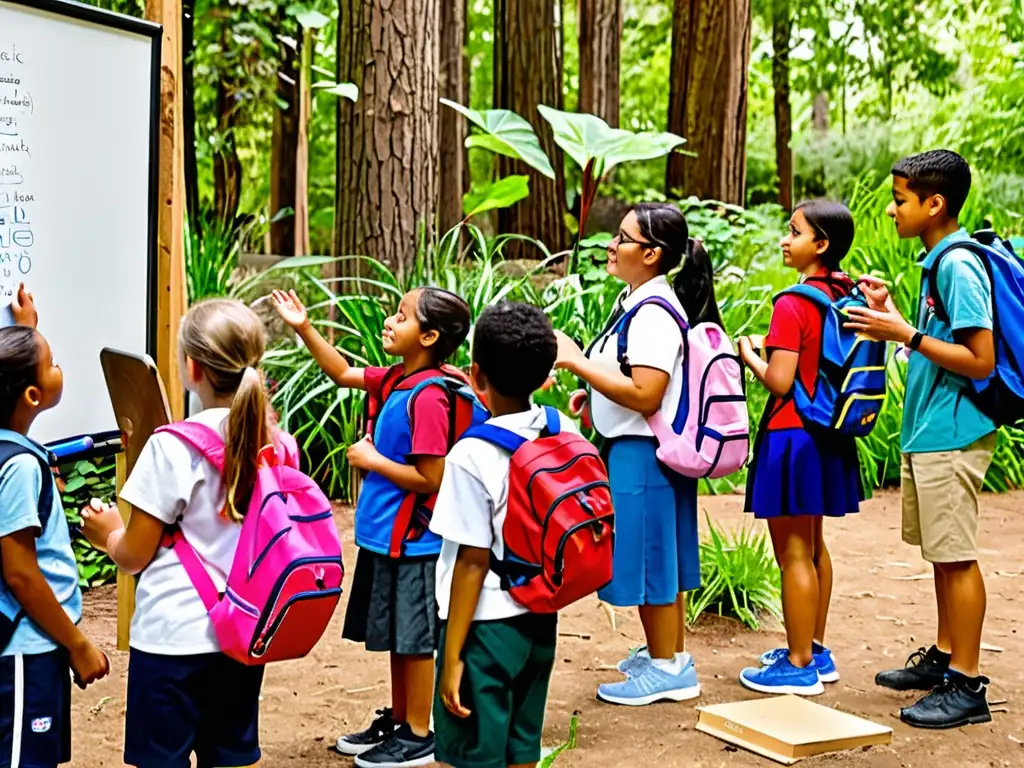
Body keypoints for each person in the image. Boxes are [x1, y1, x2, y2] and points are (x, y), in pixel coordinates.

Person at [78, 298, 286, 768]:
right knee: (228, 756)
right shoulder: (277, 442)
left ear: (192, 367)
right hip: (242, 635)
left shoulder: (170, 448)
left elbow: (133, 554)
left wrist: (107, 532)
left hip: (171, 640)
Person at [271, 287, 471, 767]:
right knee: (399, 637)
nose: (389, 320)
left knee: (416, 640)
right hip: (389, 539)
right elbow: (341, 372)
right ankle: (402, 721)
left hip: (416, 542)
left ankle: (421, 733)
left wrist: (374, 460)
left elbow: (431, 477)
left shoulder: (427, 398)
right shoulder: (397, 379)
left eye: (401, 316)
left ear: (428, 335)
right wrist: (304, 327)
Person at [845, 150, 996, 729]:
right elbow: (940, 341)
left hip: (954, 431)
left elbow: (978, 361)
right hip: (931, 428)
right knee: (941, 552)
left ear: (935, 204)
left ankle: (968, 683)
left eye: (901, 199)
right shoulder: (937, 262)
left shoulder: (958, 265)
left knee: (957, 557)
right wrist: (894, 315)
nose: (891, 209)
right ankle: (944, 656)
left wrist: (901, 331)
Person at [553, 203, 720, 706]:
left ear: (650, 254)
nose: (612, 244)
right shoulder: (636, 301)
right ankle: (665, 654)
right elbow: (627, 377)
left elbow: (647, 393)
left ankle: (669, 669)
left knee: (652, 560)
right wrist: (595, 395)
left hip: (644, 456)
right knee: (658, 555)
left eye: (622, 238)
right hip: (638, 448)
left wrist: (579, 365)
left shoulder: (654, 313)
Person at [430, 302, 573, 768]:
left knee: (476, 752)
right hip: (539, 618)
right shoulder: (559, 428)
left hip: (484, 626)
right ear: (545, 374)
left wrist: (452, 656)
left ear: (476, 375)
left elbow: (472, 561)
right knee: (521, 744)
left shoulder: (471, 455)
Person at [736, 200, 860, 695]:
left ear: (821, 244)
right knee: (813, 547)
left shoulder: (792, 303)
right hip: (829, 432)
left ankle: (798, 662)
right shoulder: (847, 293)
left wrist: (750, 355)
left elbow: (780, 380)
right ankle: (815, 647)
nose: (785, 240)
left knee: (791, 553)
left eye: (794, 232)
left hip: (791, 434)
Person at [0, 288, 110, 768]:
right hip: (29, 645)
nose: (59, 368)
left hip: (27, 641)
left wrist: (28, 327)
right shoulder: (21, 467)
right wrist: (78, 644)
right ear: (31, 395)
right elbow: (21, 573)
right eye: (54, 363)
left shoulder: (10, 449)